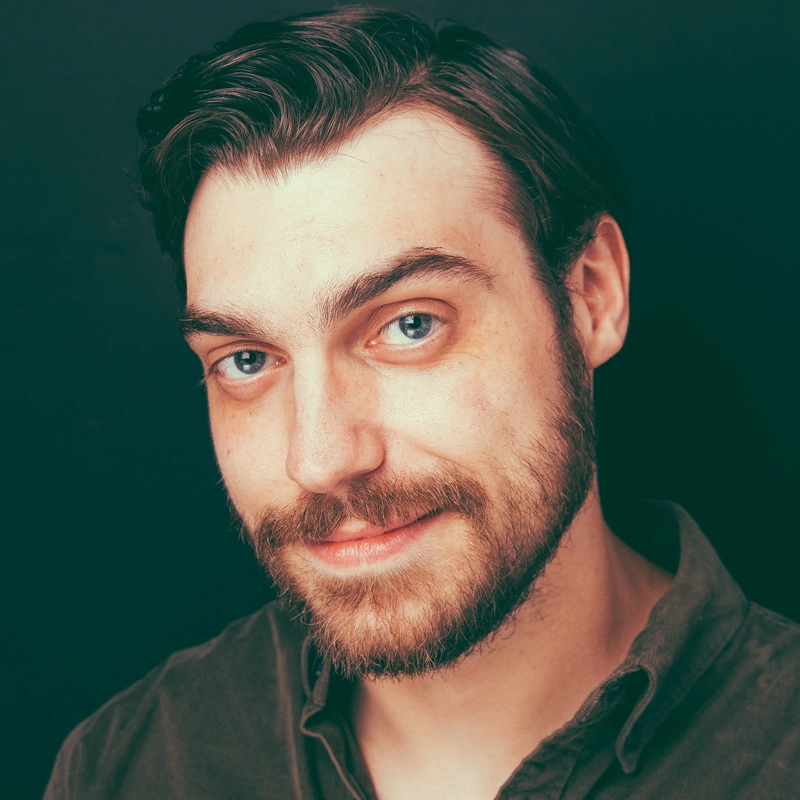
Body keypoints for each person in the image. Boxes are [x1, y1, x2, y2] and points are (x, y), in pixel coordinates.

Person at [44, 7, 800, 799]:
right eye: (246, 359)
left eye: (409, 325)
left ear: (589, 297)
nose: (322, 458)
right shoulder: (131, 765)